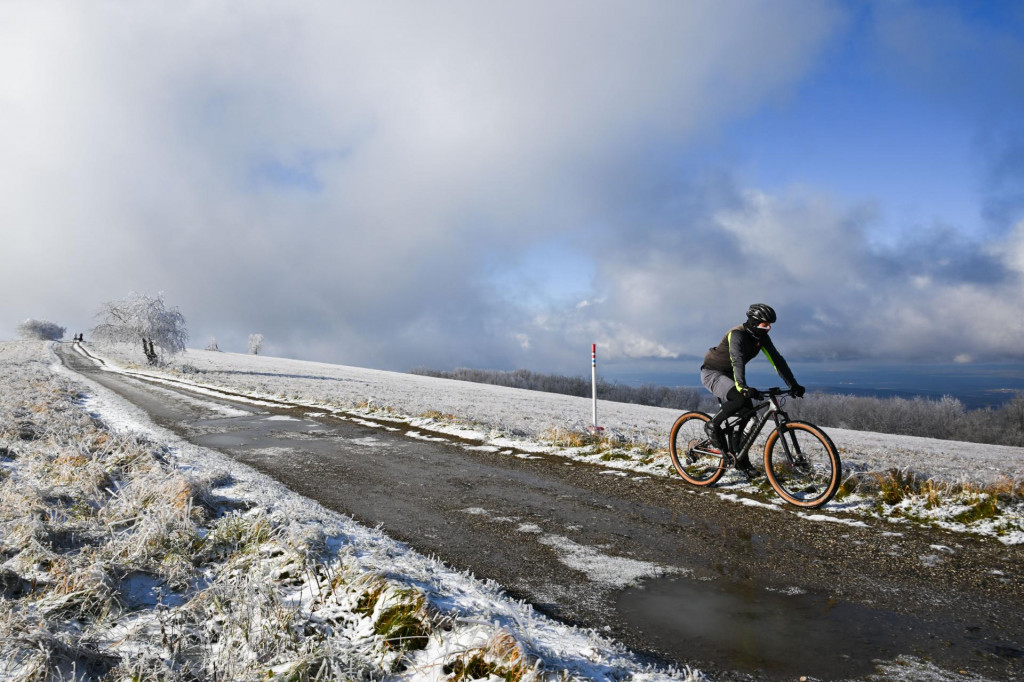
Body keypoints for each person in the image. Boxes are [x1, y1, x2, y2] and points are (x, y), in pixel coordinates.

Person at [700, 303, 805, 476]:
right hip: (714, 373)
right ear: (754, 321)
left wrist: (793, 384)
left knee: (750, 417)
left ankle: (740, 459)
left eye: (770, 324)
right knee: (740, 399)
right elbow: (737, 360)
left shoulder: (761, 337)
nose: (769, 328)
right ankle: (712, 425)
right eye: (765, 324)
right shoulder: (737, 335)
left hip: (732, 375)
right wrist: (742, 387)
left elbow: (777, 360)